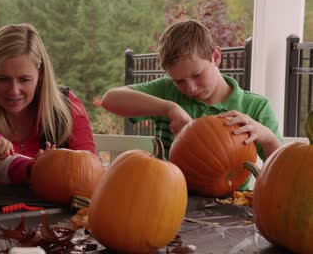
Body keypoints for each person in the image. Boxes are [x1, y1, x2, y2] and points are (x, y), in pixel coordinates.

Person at [101, 20, 283, 189]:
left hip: (233, 208)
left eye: (197, 75)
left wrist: (266, 136)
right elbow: (110, 100)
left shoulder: (255, 106)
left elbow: (283, 170)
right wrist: (169, 108)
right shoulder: (167, 92)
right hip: (170, 199)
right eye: (179, 81)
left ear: (216, 56)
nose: (191, 88)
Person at [0, 23, 96, 157]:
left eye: (24, 80)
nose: (14, 91)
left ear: (40, 74)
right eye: (3, 79)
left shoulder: (67, 107)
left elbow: (89, 169)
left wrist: (50, 169)